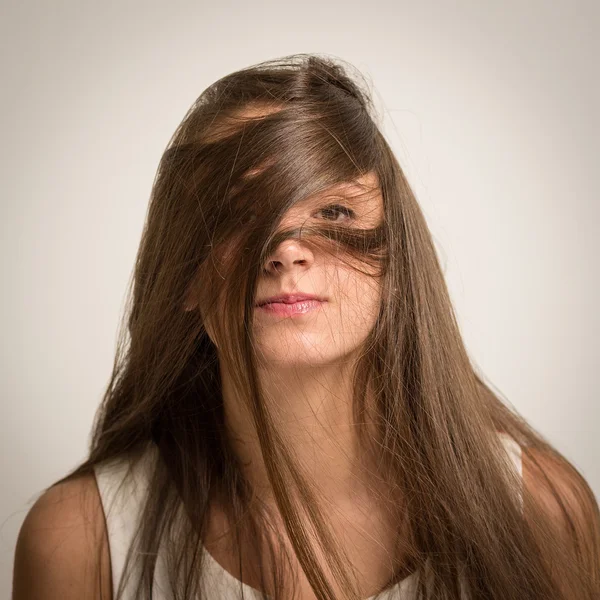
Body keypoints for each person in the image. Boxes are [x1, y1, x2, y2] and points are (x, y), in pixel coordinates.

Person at [12, 53, 600, 600]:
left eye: (334, 212)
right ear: (186, 274)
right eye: (242, 213)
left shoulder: (542, 512)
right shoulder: (79, 543)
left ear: (395, 261)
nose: (288, 251)